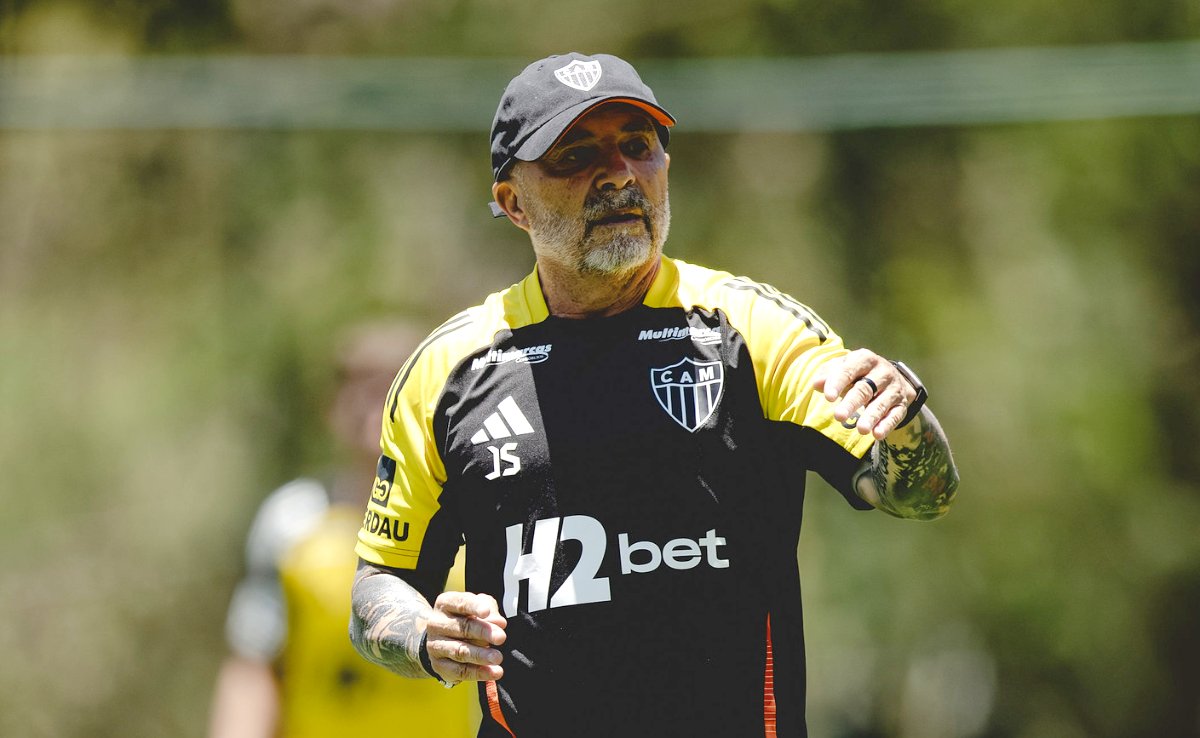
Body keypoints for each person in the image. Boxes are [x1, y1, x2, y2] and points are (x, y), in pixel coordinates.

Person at [349, 52, 960, 737]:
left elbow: (920, 491)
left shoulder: (753, 331)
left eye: (638, 147)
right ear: (512, 203)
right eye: (574, 155)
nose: (618, 174)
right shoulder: (448, 370)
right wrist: (422, 635)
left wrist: (908, 425)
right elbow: (377, 588)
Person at [208, 322, 479, 738]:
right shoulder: (291, 521)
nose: (377, 410)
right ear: (331, 407)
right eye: (362, 390)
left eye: (393, 390)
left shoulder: (472, 519)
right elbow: (254, 665)